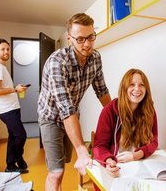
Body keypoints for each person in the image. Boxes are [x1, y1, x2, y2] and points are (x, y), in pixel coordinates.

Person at [37, 13, 111, 191]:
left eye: (91, 37)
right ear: (69, 39)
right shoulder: (57, 62)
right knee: (56, 172)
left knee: (66, 160)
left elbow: (101, 91)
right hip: (51, 118)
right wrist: (81, 149)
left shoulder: (95, 58)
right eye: (80, 39)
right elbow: (65, 108)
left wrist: (117, 117)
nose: (87, 44)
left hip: (72, 116)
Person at [93, 68, 158, 179]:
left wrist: (136, 155)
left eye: (141, 85)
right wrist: (109, 162)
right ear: (124, 88)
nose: (137, 89)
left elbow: (154, 142)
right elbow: (99, 146)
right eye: (132, 84)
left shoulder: (149, 110)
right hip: (114, 168)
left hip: (138, 165)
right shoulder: (109, 110)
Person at [0, 38, 29, 173]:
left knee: (13, 136)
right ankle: (19, 158)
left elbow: (3, 88)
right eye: (3, 49)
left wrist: (17, 88)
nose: (6, 51)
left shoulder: (2, 68)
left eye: (7, 49)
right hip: (6, 109)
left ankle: (10, 166)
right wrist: (14, 89)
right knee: (21, 135)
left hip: (12, 107)